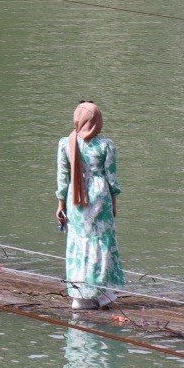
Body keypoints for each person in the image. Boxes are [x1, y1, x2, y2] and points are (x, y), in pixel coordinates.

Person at [55, 101, 122, 310]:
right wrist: (114, 201)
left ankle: (79, 295)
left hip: (75, 198)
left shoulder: (66, 143)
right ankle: (102, 294)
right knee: (101, 242)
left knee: (79, 241)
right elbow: (111, 179)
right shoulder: (105, 146)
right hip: (99, 197)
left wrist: (60, 204)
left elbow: (63, 178)